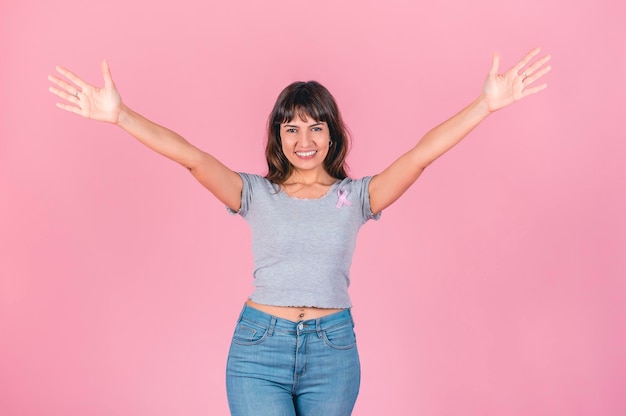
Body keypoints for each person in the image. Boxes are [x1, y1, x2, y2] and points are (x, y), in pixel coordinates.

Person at [48, 47, 551, 416]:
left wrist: (484, 106)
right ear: (277, 137)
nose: (304, 140)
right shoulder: (253, 194)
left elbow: (420, 156)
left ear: (332, 133)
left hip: (333, 351)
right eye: (291, 128)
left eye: (315, 127)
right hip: (258, 349)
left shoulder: (356, 198)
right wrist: (120, 117)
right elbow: (192, 159)